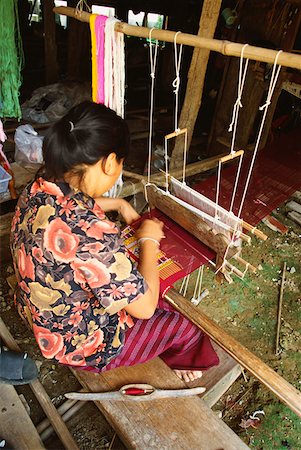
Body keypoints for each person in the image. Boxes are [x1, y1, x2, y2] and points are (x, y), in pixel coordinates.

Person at [10, 101, 219, 383]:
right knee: (182, 325)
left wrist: (119, 204)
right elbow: (144, 308)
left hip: (41, 317)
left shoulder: (38, 187)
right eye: (120, 163)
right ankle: (184, 360)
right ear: (110, 162)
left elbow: (70, 210)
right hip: (78, 344)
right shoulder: (92, 233)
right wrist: (148, 240)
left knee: (159, 294)